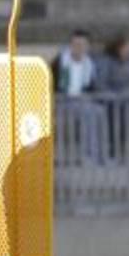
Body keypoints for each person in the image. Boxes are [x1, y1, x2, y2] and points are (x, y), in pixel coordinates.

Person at [51, 30, 104, 164]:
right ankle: (88, 155)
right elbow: (55, 84)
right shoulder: (60, 62)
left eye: (82, 45)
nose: (79, 48)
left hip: (83, 100)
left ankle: (100, 154)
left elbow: (91, 87)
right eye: (76, 44)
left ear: (87, 47)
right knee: (88, 113)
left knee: (100, 112)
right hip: (62, 101)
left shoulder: (89, 64)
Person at [95, 36, 129, 162]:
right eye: (127, 47)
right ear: (118, 48)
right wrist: (115, 97)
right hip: (114, 104)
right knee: (117, 121)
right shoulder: (106, 62)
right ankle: (114, 153)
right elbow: (101, 85)